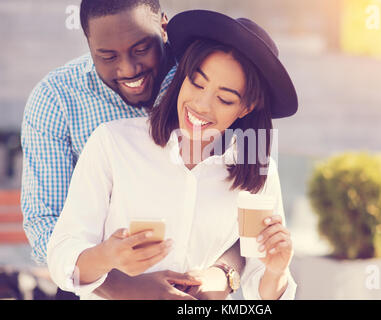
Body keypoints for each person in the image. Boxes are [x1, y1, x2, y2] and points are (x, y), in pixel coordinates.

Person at [47, 10, 299, 300]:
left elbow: (258, 284)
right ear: (183, 77)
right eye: (197, 83)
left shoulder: (255, 170)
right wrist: (107, 257)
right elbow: (62, 255)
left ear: (246, 107)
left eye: (225, 98)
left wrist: (277, 272)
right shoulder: (113, 143)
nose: (202, 105)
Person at [21, 0, 244, 300]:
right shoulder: (56, 100)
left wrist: (222, 276)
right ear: (88, 43)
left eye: (141, 49)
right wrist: (122, 286)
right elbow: (47, 225)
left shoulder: (202, 83)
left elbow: (252, 211)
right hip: (91, 290)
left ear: (164, 28)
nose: (128, 69)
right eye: (107, 56)